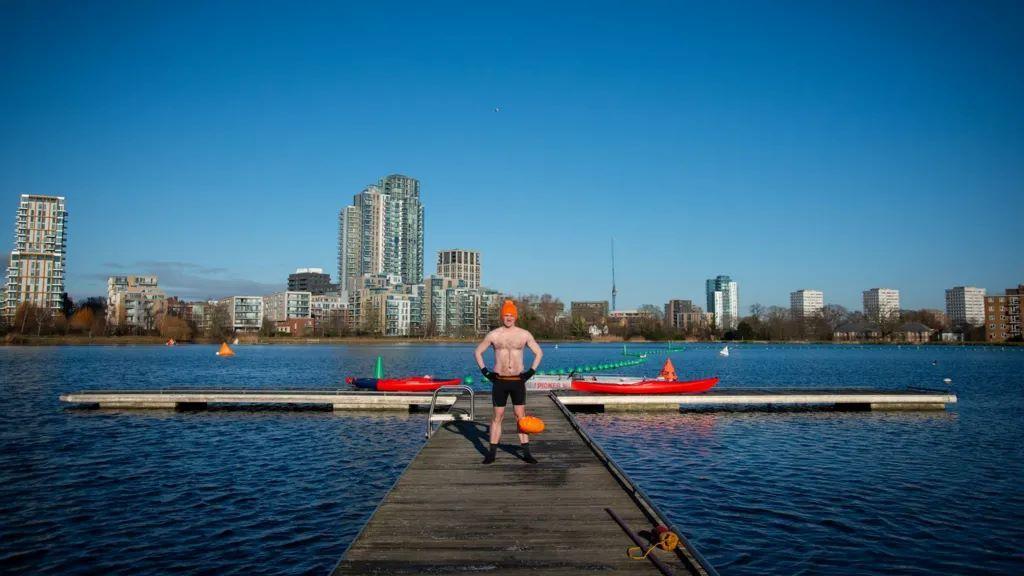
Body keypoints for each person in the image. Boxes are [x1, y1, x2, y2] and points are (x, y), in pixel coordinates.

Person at [474, 299, 543, 464]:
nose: (509, 317)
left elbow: (539, 353)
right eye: (506, 315)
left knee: (521, 416)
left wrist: (530, 372)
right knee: (497, 416)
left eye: (511, 315)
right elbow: (477, 352)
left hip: (518, 381)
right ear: (502, 317)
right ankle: (491, 454)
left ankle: (526, 453)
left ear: (516, 316)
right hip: (499, 381)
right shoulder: (494, 335)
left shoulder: (524, 334)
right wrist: (486, 372)